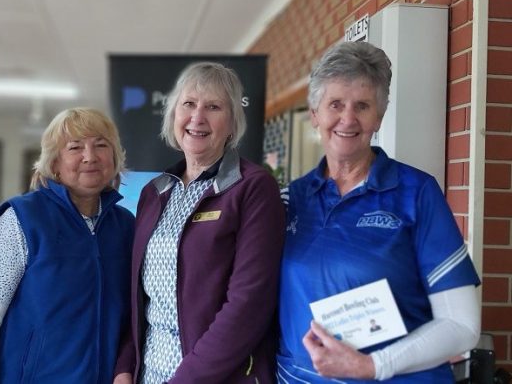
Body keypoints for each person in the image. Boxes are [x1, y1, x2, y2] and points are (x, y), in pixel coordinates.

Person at [276, 41, 481, 383]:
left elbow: (462, 325)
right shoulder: (290, 200)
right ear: (315, 114)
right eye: (335, 104)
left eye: (363, 106)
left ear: (379, 117)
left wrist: (374, 365)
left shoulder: (416, 194)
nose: (348, 118)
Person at [114, 62, 285, 383]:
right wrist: (125, 366)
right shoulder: (155, 192)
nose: (198, 117)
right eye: (188, 104)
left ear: (233, 122)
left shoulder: (253, 188)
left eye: (214, 107)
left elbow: (249, 304)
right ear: (173, 116)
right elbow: (139, 297)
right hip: (150, 373)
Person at [0, 107, 135, 383]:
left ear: (114, 157)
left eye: (101, 145)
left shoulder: (126, 226)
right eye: (75, 147)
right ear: (54, 163)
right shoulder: (21, 220)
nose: (90, 156)